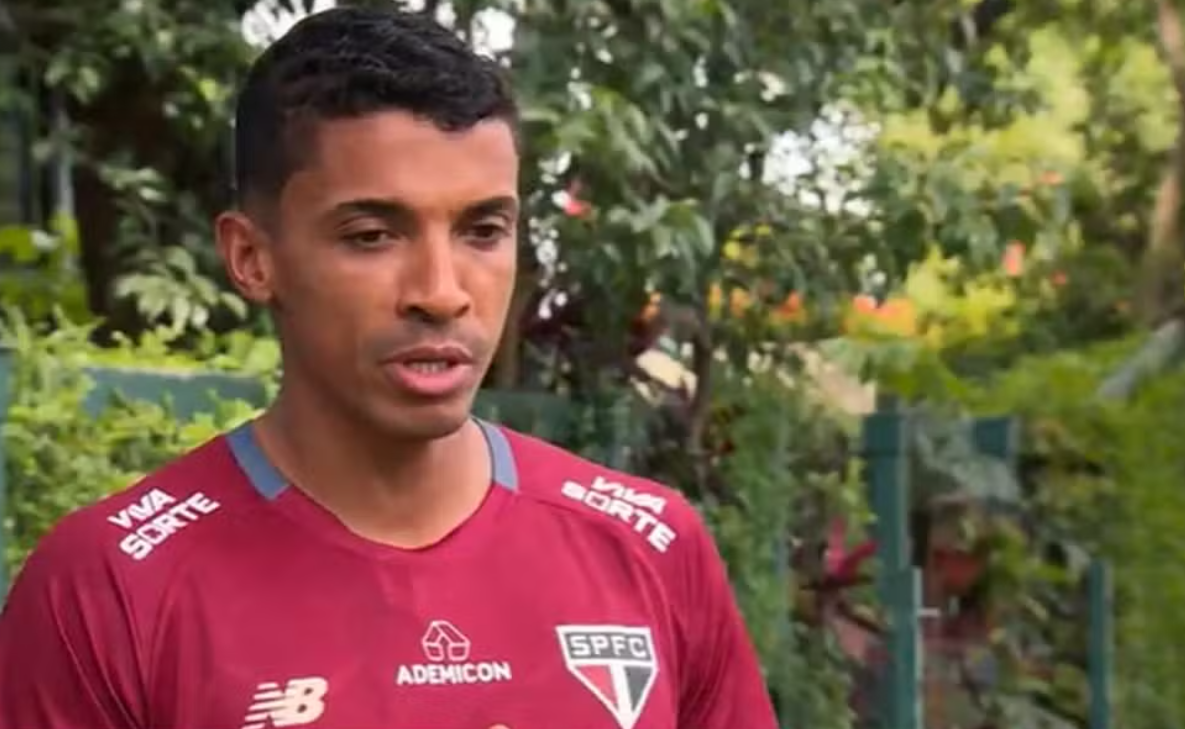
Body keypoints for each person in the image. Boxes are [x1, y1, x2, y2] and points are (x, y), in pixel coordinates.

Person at [0, 7, 779, 729]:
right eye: (372, 235)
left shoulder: (650, 546)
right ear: (252, 257)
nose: (440, 292)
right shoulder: (107, 588)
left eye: (482, 230)